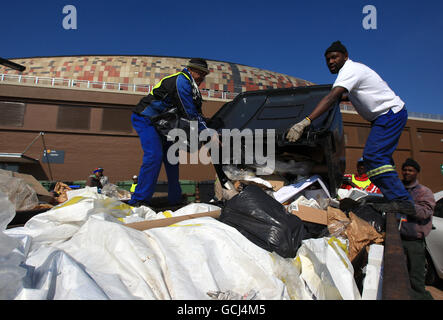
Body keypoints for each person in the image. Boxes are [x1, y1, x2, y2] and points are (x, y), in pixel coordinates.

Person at [286, 41, 415, 214]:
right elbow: (347, 95)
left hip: (389, 114)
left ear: (345, 56)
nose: (330, 62)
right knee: (381, 160)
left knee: (373, 157)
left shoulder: (349, 70)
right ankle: (393, 196)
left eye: (334, 57)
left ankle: (402, 201)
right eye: (327, 59)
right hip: (386, 116)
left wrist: (306, 121)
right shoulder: (352, 73)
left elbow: (333, 96)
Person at [128, 58, 210, 207]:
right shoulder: (181, 81)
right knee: (154, 155)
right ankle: (139, 200)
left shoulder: (193, 89)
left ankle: (175, 200)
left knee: (172, 159)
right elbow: (189, 113)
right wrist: (206, 133)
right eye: (199, 73)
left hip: (163, 125)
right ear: (191, 70)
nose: (202, 77)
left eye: (204, 74)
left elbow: (198, 114)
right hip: (146, 119)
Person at [400, 158, 435, 300]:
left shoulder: (424, 192)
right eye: (405, 169)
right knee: (399, 277)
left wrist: (406, 206)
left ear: (416, 173)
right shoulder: (398, 189)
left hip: (414, 242)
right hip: (397, 239)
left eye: (410, 170)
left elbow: (425, 212)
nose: (407, 172)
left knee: (416, 280)